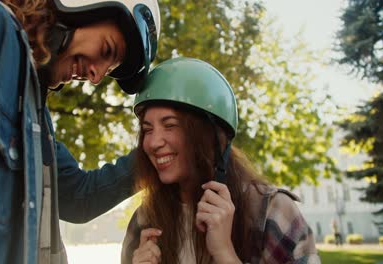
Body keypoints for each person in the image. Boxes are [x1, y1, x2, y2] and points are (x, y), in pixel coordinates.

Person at [0, 0, 159, 263]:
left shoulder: (33, 114)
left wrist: (156, 148)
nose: (96, 76)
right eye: (106, 50)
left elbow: (79, 197)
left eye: (108, 71)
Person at [121, 57, 320, 264]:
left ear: (210, 136)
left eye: (170, 125)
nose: (153, 142)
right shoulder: (144, 219)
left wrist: (225, 252)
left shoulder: (273, 212)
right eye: (147, 130)